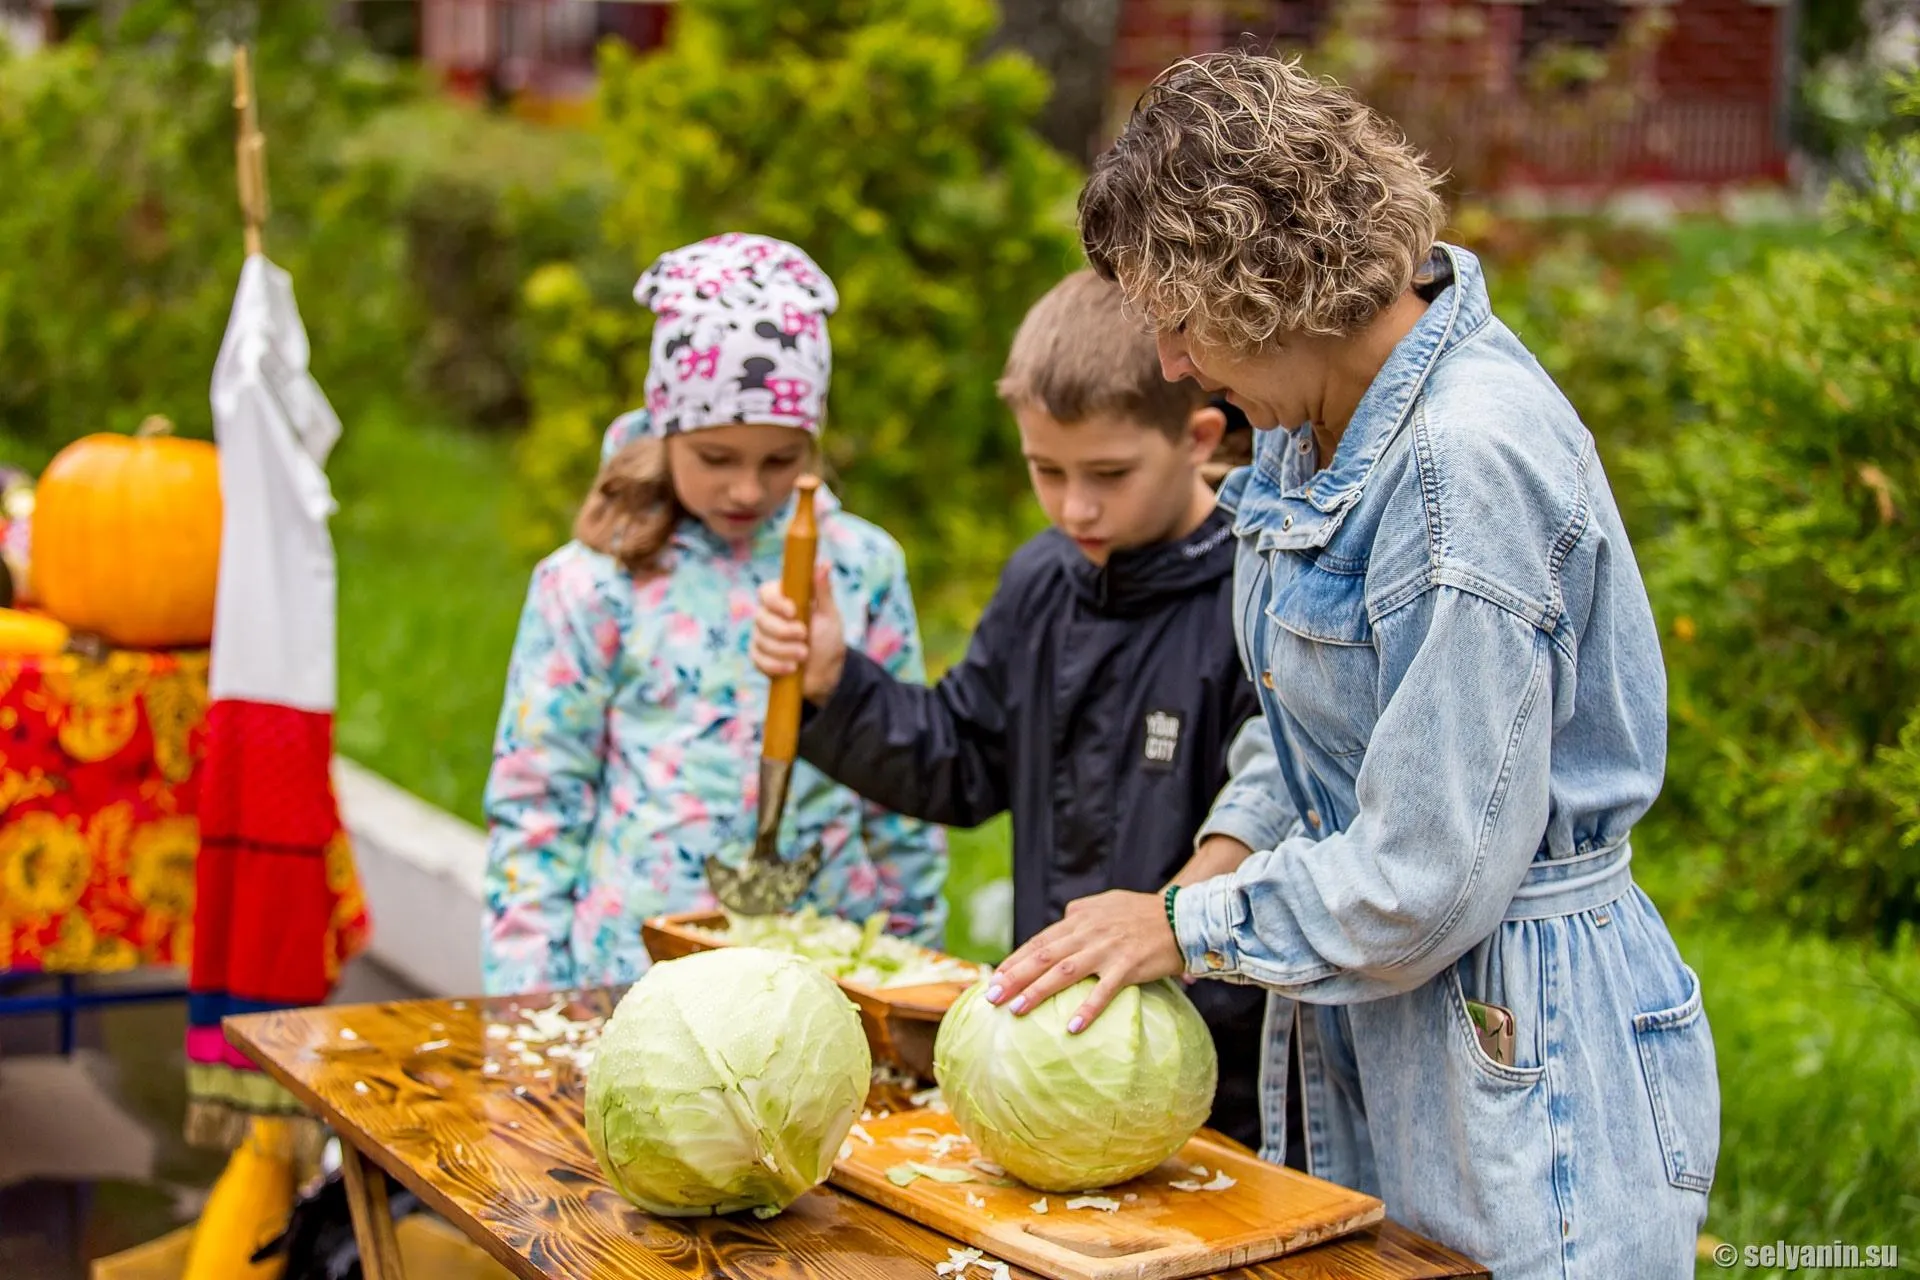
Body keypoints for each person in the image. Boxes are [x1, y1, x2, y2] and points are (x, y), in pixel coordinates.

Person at [986, 54, 1718, 1278]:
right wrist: (1225, 850)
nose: (1171, 365)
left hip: (1524, 1077)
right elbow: (1310, 722)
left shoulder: (1459, 468)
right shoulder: (1309, 419)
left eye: (1179, 322)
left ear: (1263, 284)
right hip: (1382, 1034)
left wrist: (1185, 922)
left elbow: (1427, 874)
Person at [750, 268, 1277, 1152]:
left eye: (1109, 473)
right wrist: (834, 687)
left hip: (1224, 1082)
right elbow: (958, 761)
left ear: (1199, 436)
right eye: (1046, 470)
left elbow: (1283, 809)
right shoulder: (1042, 581)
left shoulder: (1256, 594)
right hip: (1055, 1063)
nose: (1075, 506)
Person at [481, 233, 947, 996]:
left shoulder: (860, 569)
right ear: (666, 428)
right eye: (716, 458)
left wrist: (912, 970)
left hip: (826, 980)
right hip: (632, 979)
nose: (745, 490)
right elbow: (539, 797)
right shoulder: (594, 580)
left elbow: (903, 783)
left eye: (780, 459)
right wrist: (528, 994)